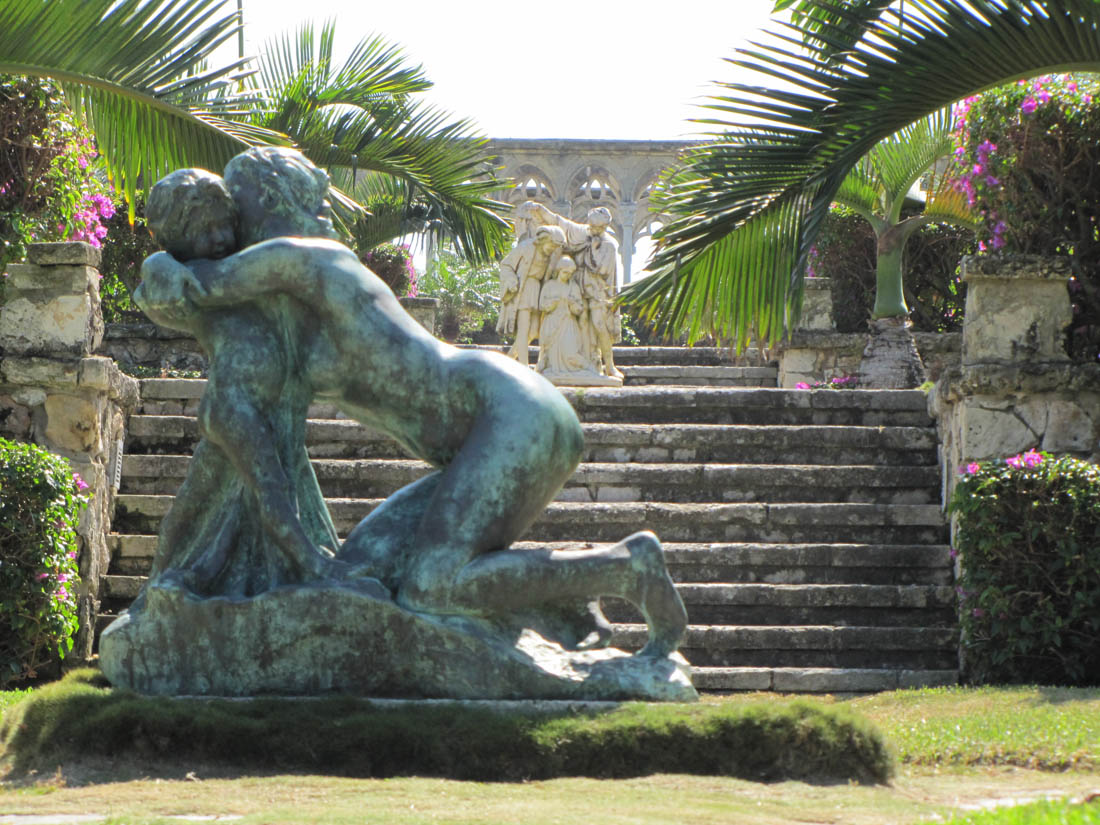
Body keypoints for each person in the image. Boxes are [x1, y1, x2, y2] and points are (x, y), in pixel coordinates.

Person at [137, 147, 687, 658]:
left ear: (269, 201)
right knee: (368, 571)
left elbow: (195, 284)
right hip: (487, 424)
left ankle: (623, 567)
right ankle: (559, 596)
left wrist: (157, 264)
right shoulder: (291, 297)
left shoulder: (306, 259)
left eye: (238, 212)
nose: (232, 231)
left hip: (511, 414)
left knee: (431, 584)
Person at [138, 168, 341, 599]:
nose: (218, 239)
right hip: (233, 407)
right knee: (206, 506)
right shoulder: (193, 280)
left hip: (269, 407)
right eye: (202, 233)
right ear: (178, 241)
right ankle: (157, 593)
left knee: (240, 499)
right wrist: (158, 264)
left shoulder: (246, 264)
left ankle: (297, 568)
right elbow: (151, 290)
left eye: (222, 225)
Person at [526, 202, 624, 380]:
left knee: (599, 325)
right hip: (576, 285)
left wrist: (593, 250)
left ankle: (609, 365)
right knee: (580, 321)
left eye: (598, 227)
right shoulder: (583, 233)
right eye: (592, 226)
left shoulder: (609, 245)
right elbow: (561, 223)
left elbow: (602, 270)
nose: (593, 230)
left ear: (605, 227)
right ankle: (575, 360)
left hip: (596, 290)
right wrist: (543, 211)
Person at [496, 225, 565, 366]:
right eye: (552, 245)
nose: (553, 249)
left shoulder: (550, 255)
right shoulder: (526, 247)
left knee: (533, 331)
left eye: (555, 247)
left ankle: (509, 359)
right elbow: (506, 265)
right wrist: (511, 280)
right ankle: (524, 366)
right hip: (524, 288)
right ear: (544, 240)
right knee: (523, 329)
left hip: (537, 290)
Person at [535, 255, 599, 379]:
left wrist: (572, 304)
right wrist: (552, 303)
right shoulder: (549, 285)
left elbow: (579, 309)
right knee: (551, 354)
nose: (567, 275)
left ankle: (588, 367)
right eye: (565, 272)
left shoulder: (573, 287)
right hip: (552, 324)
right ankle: (552, 368)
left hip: (568, 323)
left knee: (570, 353)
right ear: (559, 270)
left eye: (570, 273)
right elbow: (542, 305)